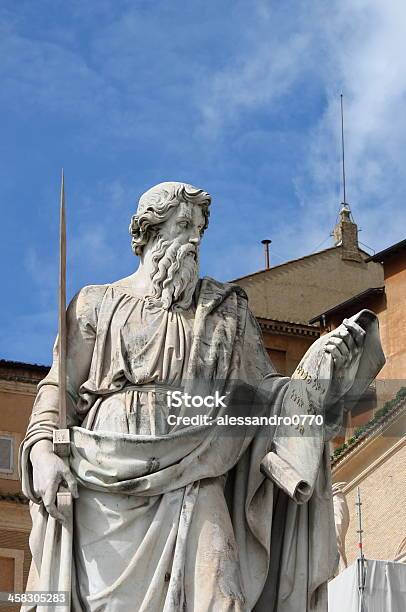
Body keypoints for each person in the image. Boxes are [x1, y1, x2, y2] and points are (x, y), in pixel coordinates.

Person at [20, 181, 385, 611]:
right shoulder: (95, 304)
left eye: (200, 229)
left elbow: (264, 395)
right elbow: (58, 389)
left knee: (221, 594)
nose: (194, 238)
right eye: (183, 225)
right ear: (149, 232)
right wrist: (43, 451)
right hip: (104, 478)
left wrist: (317, 367)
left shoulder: (226, 309)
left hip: (198, 469)